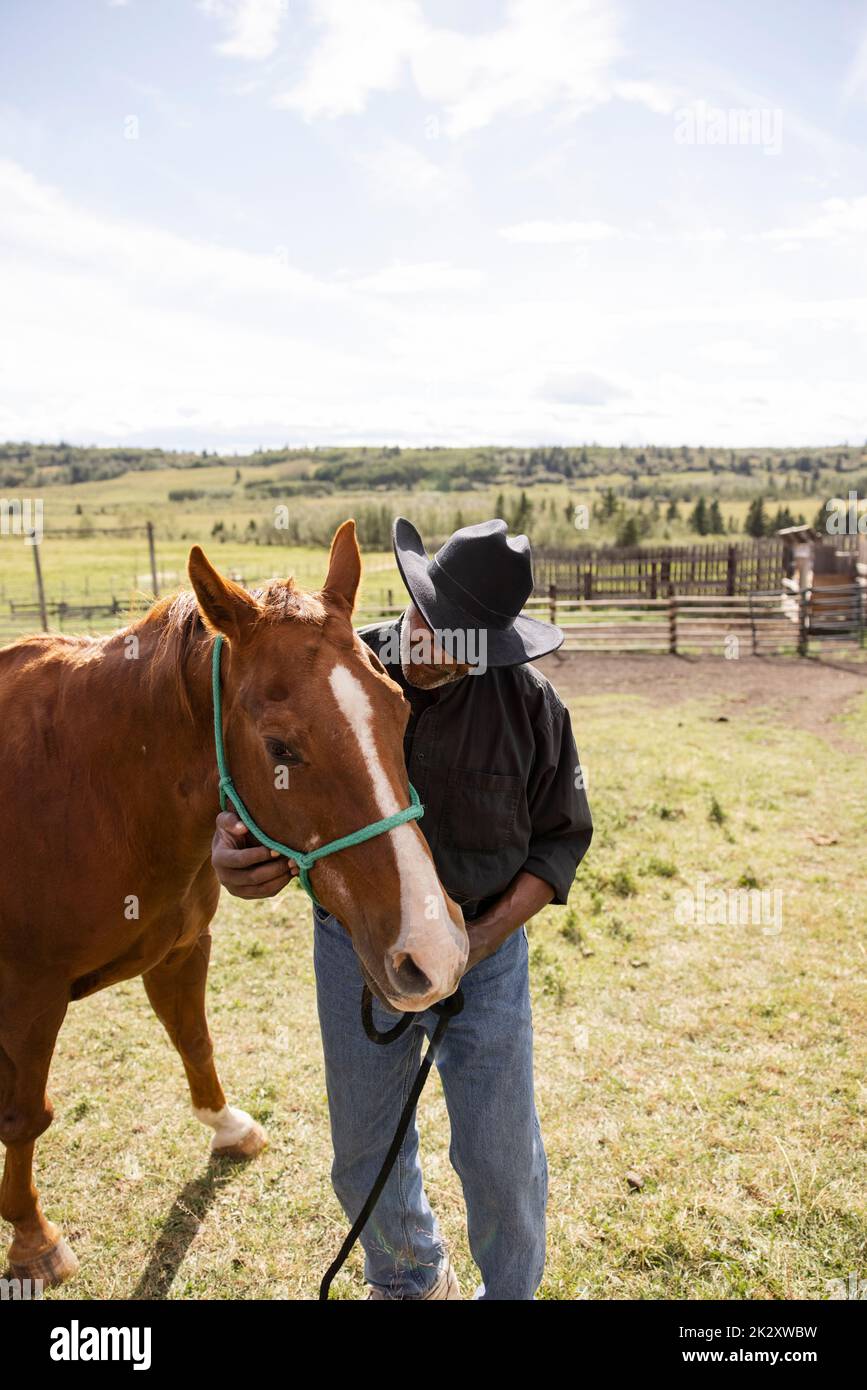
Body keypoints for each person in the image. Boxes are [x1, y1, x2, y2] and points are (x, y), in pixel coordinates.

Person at [212, 518, 593, 1299]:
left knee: (499, 1155)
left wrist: (478, 939)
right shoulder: (339, 673)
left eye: (466, 641)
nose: (440, 648)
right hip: (355, 950)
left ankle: (511, 1294)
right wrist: (235, 852)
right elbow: (271, 785)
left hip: (481, 955)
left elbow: (558, 844)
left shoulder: (528, 707)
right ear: (413, 600)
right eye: (431, 622)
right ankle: (410, 1277)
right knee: (362, 1152)